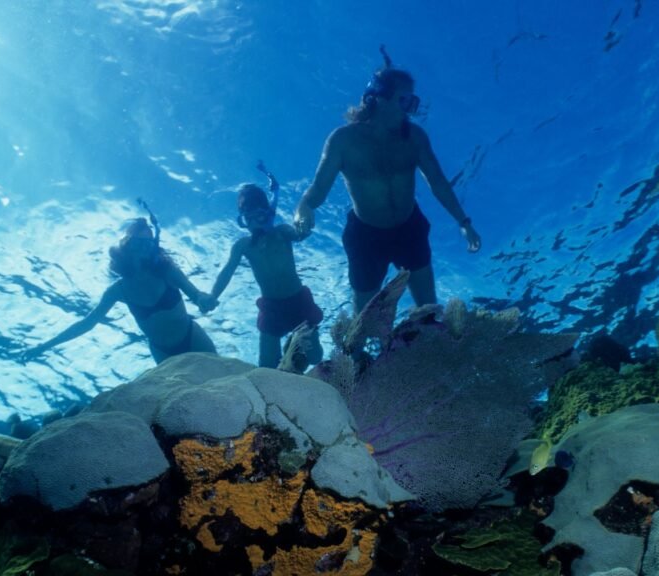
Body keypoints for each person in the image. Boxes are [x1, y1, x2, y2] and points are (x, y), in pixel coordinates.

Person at [294, 52, 481, 313]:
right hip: (366, 236)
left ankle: (429, 344)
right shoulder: (343, 140)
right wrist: (304, 207)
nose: (410, 109)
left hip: (410, 229)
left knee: (428, 307)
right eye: (405, 100)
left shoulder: (415, 137)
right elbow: (319, 187)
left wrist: (464, 222)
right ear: (378, 97)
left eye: (413, 102)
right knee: (364, 314)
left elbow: (437, 182)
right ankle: (359, 354)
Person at [21, 216, 216, 364]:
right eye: (137, 242)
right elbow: (87, 323)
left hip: (192, 337)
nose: (143, 247)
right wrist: (45, 346)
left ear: (153, 245)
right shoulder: (117, 290)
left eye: (148, 242)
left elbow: (196, 295)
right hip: (161, 350)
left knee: (223, 385)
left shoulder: (168, 272)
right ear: (126, 246)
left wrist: (204, 300)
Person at [202, 168, 323, 369]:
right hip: (272, 308)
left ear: (268, 212)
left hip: (298, 302)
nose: (255, 223)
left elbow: (300, 233)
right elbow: (227, 271)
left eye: (259, 215)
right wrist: (213, 295)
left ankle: (292, 350)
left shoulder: (282, 233)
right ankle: (288, 352)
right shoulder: (244, 246)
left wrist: (305, 222)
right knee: (265, 367)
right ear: (242, 220)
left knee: (315, 357)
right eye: (247, 218)